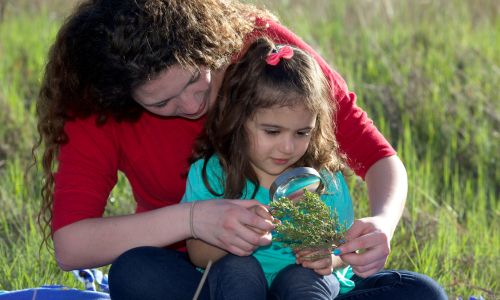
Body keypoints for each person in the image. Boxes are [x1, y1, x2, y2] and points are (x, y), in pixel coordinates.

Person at [35, 0, 447, 299]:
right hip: (200, 277)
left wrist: (381, 223)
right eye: (162, 104)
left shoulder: (259, 50)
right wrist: (194, 219)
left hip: (305, 279)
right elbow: (72, 245)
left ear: (208, 46)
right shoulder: (98, 106)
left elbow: (377, 156)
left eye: (198, 79)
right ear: (118, 97)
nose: (193, 105)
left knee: (419, 293)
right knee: (136, 273)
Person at [181, 38, 355, 300]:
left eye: (301, 132)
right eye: (272, 131)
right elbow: (197, 254)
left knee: (305, 280)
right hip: (235, 284)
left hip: (301, 282)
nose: (287, 147)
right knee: (236, 269)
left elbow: (345, 248)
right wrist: (237, 237)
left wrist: (328, 258)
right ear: (239, 120)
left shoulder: (324, 181)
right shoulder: (212, 175)